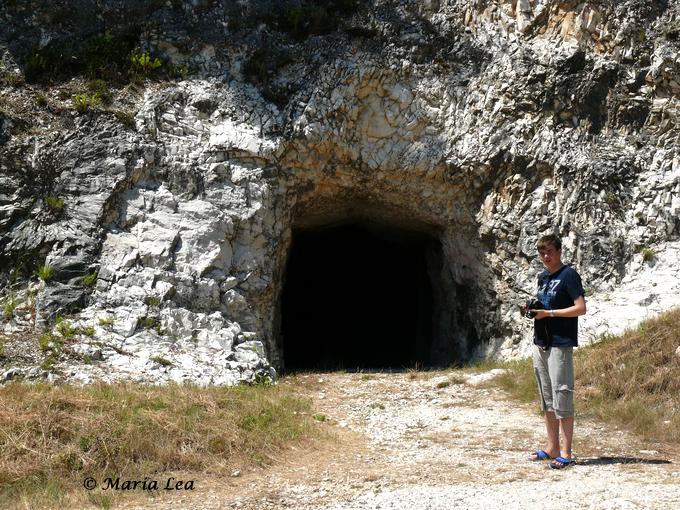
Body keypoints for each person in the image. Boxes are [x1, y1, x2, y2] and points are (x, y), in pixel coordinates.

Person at [526, 233, 586, 469]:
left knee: (562, 395)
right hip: (541, 341)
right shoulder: (543, 277)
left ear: (559, 251)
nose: (545, 256)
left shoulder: (568, 275)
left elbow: (580, 308)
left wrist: (549, 314)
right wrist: (533, 310)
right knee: (547, 397)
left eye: (549, 251)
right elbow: (545, 304)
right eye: (541, 252)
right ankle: (551, 448)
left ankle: (567, 453)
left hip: (561, 342)